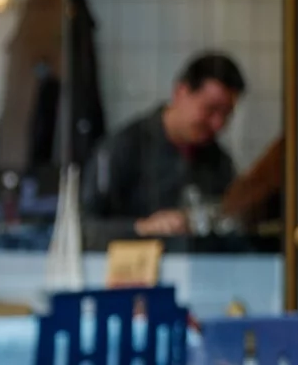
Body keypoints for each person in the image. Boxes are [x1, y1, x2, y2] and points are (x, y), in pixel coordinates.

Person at [85, 53, 245, 239]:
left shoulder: (218, 161)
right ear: (180, 92)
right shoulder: (124, 148)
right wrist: (141, 228)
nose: (218, 123)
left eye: (226, 114)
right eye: (210, 109)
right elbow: (84, 227)